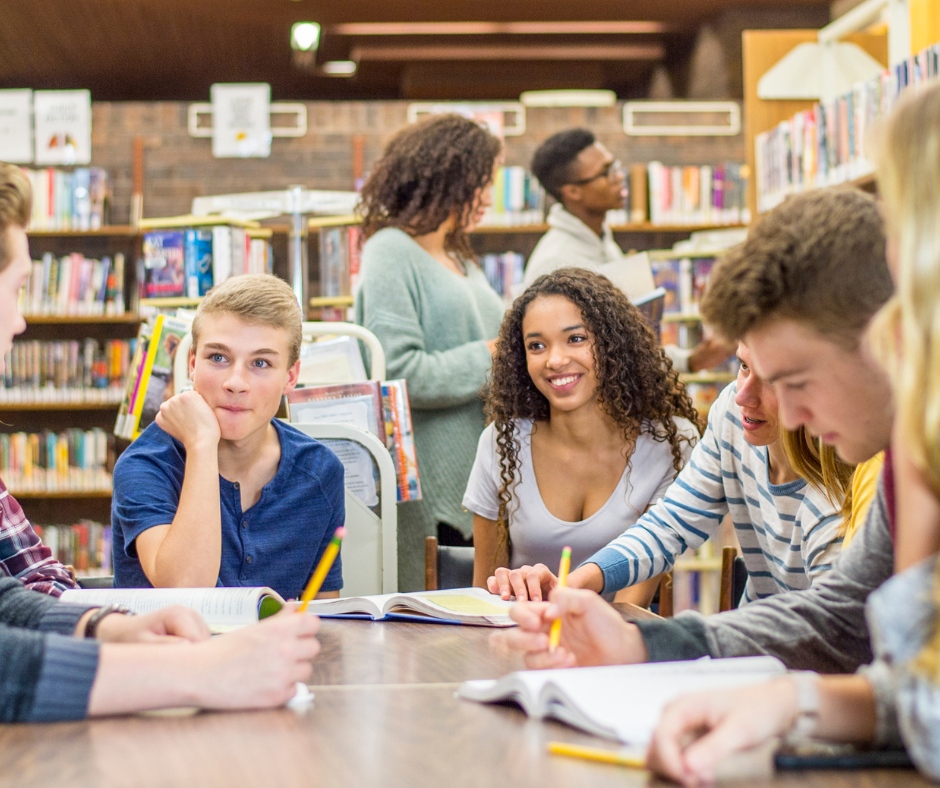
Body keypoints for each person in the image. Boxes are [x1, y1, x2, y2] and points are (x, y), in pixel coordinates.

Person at [647, 82, 940, 784]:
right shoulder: (915, 445)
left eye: (794, 381)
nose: (787, 415)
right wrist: (791, 703)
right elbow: (855, 626)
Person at [499, 186, 894, 676]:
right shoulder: (885, 457)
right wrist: (606, 605)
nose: (763, 402)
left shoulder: (884, 467)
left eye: (790, 380)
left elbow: (847, 641)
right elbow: (847, 623)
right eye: (741, 367)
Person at [0, 161, 323, 723]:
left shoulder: (315, 465)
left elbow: (19, 588)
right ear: (192, 363)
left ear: (292, 374)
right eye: (17, 288)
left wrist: (107, 624)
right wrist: (198, 673)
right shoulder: (150, 462)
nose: (21, 321)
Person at [489, 340, 851, 606]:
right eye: (742, 365)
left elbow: (829, 630)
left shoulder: (841, 487)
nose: (743, 395)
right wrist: (573, 583)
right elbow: (670, 524)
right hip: (754, 655)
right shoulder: (731, 414)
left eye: (769, 380)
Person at [464, 268, 701, 606]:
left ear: (612, 344)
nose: (555, 360)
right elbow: (486, 593)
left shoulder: (671, 442)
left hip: (618, 647)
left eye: (576, 339)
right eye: (537, 346)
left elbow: (632, 605)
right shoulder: (501, 443)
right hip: (521, 642)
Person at [111, 274, 344, 601]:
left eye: (261, 363)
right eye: (218, 358)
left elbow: (325, 618)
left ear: (290, 377)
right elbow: (187, 590)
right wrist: (202, 443)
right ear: (192, 363)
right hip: (173, 652)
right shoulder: (144, 465)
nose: (236, 382)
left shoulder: (320, 471)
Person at [355, 114, 505, 591]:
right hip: (433, 478)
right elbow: (399, 370)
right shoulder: (390, 251)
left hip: (482, 469)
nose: (486, 198)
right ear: (448, 178)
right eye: (481, 184)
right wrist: (492, 354)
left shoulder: (462, 257)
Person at [524, 128, 733, 373]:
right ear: (572, 192)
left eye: (616, 166)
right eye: (605, 172)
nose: (619, 176)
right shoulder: (556, 262)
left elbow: (627, 341)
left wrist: (690, 360)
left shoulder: (603, 243)